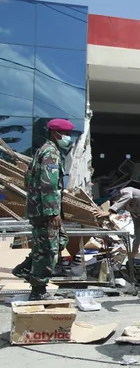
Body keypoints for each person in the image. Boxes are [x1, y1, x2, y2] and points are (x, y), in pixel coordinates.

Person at [13, 119, 74, 300]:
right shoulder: (50, 154)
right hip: (45, 211)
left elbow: (27, 180)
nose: (68, 138)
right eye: (66, 134)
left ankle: (25, 267)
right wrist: (52, 212)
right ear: (55, 134)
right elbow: (49, 185)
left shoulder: (42, 151)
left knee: (60, 239)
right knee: (48, 247)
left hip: (39, 209)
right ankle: (38, 290)